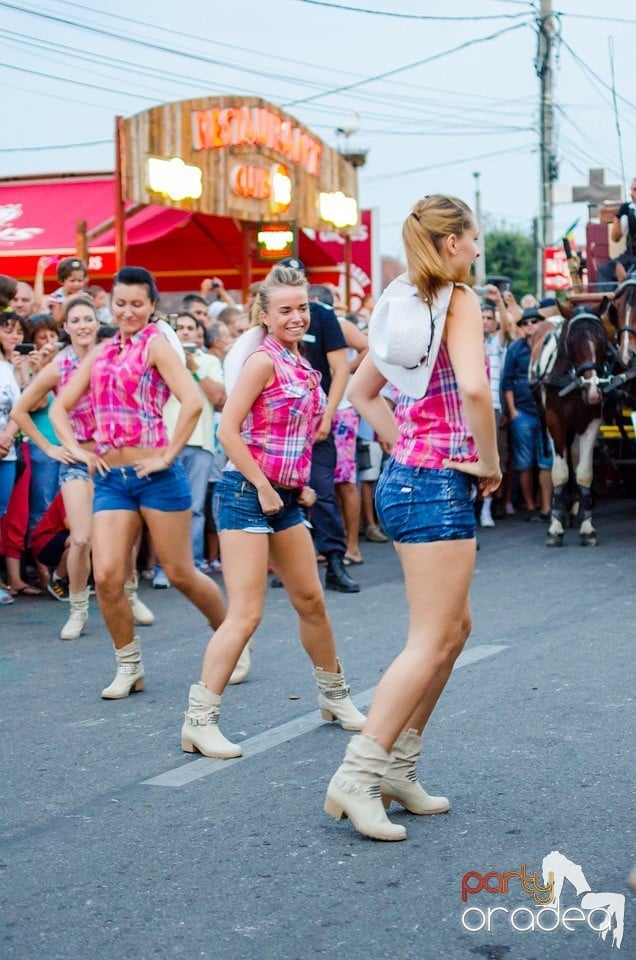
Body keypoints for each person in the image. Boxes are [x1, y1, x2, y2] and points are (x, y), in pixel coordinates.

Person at [324, 195, 501, 841]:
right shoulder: (455, 301)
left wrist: (405, 446)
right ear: (451, 242)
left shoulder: (409, 305)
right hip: (435, 483)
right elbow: (478, 390)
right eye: (474, 237)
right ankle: (357, 776)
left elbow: (364, 392)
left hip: (411, 481)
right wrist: (488, 460)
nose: (478, 249)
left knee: (453, 632)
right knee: (431, 640)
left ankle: (397, 767)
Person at [179, 264, 365, 759]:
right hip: (245, 493)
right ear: (263, 315)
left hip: (282, 496)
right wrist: (264, 485)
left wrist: (298, 485)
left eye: (302, 308)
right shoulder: (262, 361)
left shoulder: (301, 363)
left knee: (311, 599)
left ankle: (334, 698)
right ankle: (199, 721)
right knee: (245, 614)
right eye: (285, 309)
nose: (297, 316)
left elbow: (289, 434)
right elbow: (227, 431)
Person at [50, 267, 227, 697]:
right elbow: (60, 407)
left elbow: (192, 404)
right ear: (110, 304)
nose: (128, 311)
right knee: (107, 575)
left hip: (157, 475)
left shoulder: (157, 345)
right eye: (120, 303)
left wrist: (167, 455)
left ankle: (232, 638)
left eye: (137, 303)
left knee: (182, 573)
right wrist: (77, 448)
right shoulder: (103, 351)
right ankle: (129, 665)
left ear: (151, 306)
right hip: (112, 478)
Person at [12, 295, 154, 639]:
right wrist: (50, 447)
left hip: (116, 458)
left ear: (96, 322)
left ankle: (130, 592)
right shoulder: (60, 365)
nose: (82, 326)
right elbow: (20, 410)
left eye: (88, 319)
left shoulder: (114, 356)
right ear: (66, 327)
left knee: (125, 536)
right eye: (75, 321)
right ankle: (78, 608)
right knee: (80, 537)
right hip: (76, 459)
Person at [501, 306, 553, 520]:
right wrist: (512, 411)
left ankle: (545, 507)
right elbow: (507, 382)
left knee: (546, 461)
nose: (530, 325)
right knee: (523, 461)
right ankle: (530, 505)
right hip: (522, 412)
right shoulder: (515, 348)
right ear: (521, 327)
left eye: (534, 321)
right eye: (526, 322)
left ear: (542, 323)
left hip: (547, 412)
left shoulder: (551, 344)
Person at [0, 309, 22, 606]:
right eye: (8, 330)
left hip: (8, 452)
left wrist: (7, 437)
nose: (14, 336)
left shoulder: (9, 368)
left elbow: (21, 407)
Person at [597, 178, 636, 289]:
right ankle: (610, 302)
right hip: (630, 256)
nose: (632, 194)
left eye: (635, 190)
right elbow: (615, 237)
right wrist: (618, 217)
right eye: (631, 190)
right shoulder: (629, 211)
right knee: (604, 271)